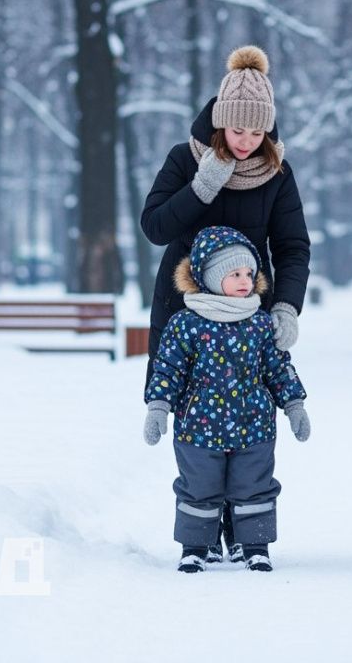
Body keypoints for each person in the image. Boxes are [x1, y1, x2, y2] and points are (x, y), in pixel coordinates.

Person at [141, 45, 311, 563]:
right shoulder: (183, 158)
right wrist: (202, 186)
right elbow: (155, 227)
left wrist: (285, 307)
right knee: (194, 424)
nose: (246, 141)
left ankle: (247, 532)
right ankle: (199, 534)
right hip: (185, 309)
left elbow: (292, 245)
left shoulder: (277, 173)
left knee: (248, 422)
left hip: (248, 307)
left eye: (257, 133)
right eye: (238, 131)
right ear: (220, 122)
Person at [142, 226, 310, 573]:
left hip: (254, 428)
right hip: (198, 429)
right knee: (199, 489)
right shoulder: (186, 324)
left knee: (254, 488)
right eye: (235, 274)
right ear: (211, 277)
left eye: (249, 273)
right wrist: (158, 406)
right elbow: (168, 368)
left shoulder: (261, 324)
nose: (245, 280)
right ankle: (196, 547)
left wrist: (294, 405)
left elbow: (278, 368)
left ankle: (254, 546)